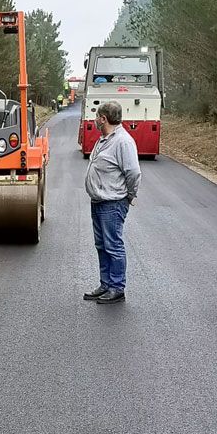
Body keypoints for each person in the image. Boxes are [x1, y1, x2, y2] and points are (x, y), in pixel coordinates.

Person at [83, 101, 142, 304]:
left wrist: (129, 196)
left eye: (96, 116)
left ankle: (117, 287)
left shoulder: (123, 142)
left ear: (103, 119)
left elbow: (133, 172)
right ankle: (106, 284)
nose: (94, 120)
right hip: (98, 201)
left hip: (113, 202)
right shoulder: (104, 140)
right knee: (101, 245)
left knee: (113, 245)